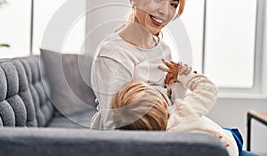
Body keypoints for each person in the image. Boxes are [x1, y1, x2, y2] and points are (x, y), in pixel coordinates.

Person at [90, 0, 187, 129]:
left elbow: (173, 107)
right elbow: (114, 126)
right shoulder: (112, 54)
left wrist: (178, 84)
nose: (165, 11)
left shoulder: (163, 50)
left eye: (173, 4)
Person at [111, 61, 260, 156]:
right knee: (230, 132)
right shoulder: (183, 112)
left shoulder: (158, 146)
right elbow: (207, 90)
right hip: (229, 145)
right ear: (164, 105)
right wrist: (185, 76)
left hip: (216, 150)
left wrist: (174, 85)